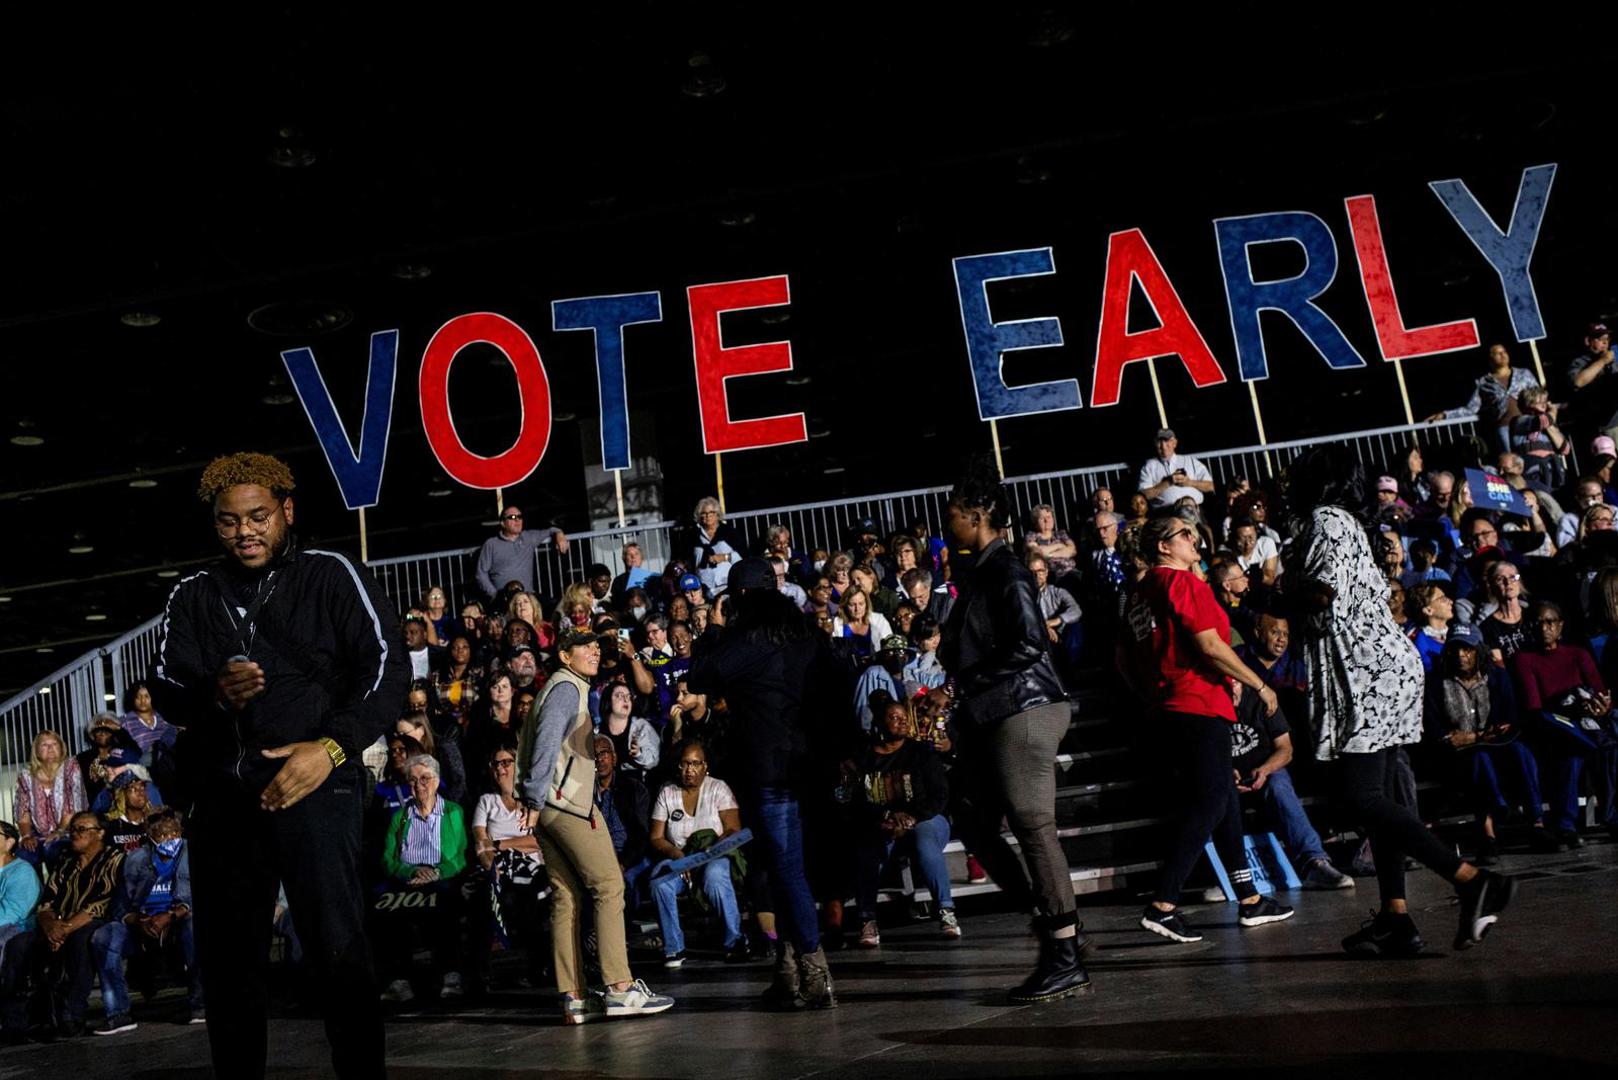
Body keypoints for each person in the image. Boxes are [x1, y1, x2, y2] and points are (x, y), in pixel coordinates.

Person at [153, 451, 408, 1079]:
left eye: (258, 516)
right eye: (229, 521)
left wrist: (331, 748)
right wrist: (214, 693)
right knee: (229, 965)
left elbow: (387, 668)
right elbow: (166, 687)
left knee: (338, 951)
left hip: (315, 786)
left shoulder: (331, 574)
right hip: (224, 801)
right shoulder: (194, 593)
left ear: (286, 511)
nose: (245, 531)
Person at [1284, 445, 1513, 958]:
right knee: (1382, 797)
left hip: (1366, 672)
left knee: (1360, 797)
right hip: (1382, 666)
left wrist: (1276, 593)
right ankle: (1395, 917)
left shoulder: (1325, 519)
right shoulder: (1344, 521)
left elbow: (1322, 593)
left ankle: (1474, 880)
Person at [939, 462, 1089, 1003]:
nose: (948, 522)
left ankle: (1065, 953)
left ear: (978, 515)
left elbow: (1029, 644)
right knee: (974, 822)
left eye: (954, 513)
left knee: (1032, 824)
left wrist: (959, 685)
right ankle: (1051, 917)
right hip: (997, 712)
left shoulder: (1007, 570)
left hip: (1026, 709)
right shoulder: (981, 571)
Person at [685, 557, 852, 1010]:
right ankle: (788, 968)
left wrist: (714, 628)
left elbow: (700, 676)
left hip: (769, 769)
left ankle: (815, 972)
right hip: (809, 765)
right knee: (777, 868)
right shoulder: (804, 633)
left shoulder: (747, 639)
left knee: (785, 869)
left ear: (739, 597)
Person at [1122, 513, 1295, 944]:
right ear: (1163, 546)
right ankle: (1163, 904)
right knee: (1213, 799)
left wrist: (1155, 690)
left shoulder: (1139, 593)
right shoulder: (1182, 582)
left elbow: (1123, 659)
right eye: (1184, 534)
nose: (1194, 538)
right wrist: (1258, 683)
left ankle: (1249, 899)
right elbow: (1211, 645)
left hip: (1171, 707)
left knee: (1224, 797)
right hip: (1197, 704)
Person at [518, 627, 673, 1024]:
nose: (593, 651)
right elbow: (546, 742)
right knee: (609, 885)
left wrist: (535, 799)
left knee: (567, 897)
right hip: (565, 803)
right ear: (564, 655)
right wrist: (534, 796)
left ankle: (574, 997)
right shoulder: (566, 688)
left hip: (551, 804)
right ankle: (620, 988)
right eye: (583, 646)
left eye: (596, 647)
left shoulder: (562, 688)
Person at [1423, 624, 1551, 861]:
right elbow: (1434, 731)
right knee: (1478, 760)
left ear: (1479, 650)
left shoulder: (1497, 677)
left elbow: (1509, 719)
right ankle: (1488, 833)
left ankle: (1537, 823)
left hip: (1496, 746)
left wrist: (1482, 735)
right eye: (1456, 649)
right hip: (1456, 756)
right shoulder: (1436, 684)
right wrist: (1474, 738)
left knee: (1521, 752)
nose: (1461, 655)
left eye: (1467, 649)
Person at [0, 811, 122, 1040]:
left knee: (81, 939)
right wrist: (51, 927)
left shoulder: (113, 858)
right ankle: (18, 1021)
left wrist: (64, 929)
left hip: (91, 921)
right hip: (57, 923)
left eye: (82, 829)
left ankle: (72, 1015)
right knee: (19, 943)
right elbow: (47, 900)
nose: (75, 833)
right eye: (73, 829)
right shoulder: (66, 860)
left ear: (100, 833)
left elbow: (101, 903)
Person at [1508, 600, 1618, 847]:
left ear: (1560, 626)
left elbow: (1600, 691)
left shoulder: (1578, 654)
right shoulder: (1524, 659)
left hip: (1585, 722)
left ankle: (1610, 816)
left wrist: (1601, 706)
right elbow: (1534, 706)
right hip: (1551, 726)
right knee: (1572, 753)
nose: (1544, 628)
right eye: (1538, 623)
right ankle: (1565, 824)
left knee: (1608, 747)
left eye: (1550, 622)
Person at [850, 699, 959, 945]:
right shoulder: (864, 758)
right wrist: (886, 817)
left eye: (904, 717)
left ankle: (946, 910)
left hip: (926, 818)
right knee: (868, 848)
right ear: (880, 723)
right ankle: (867, 918)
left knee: (925, 840)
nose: (902, 722)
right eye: (894, 717)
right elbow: (855, 801)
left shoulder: (920, 753)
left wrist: (912, 817)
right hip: (884, 823)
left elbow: (939, 795)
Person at [1226, 683, 1352, 889]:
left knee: (1278, 786)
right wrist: (1224, 772)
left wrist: (1265, 770)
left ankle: (1314, 862)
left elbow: (1285, 749)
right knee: (1214, 790)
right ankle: (1227, 876)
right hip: (1228, 778)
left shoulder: (1261, 700)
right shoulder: (1208, 706)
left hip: (1267, 772)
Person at [91, 807, 203, 1034]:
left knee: (196, 928)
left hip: (178, 921)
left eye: (174, 833)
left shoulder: (191, 853)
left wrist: (171, 915)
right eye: (162, 835)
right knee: (103, 937)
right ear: (151, 837)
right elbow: (120, 904)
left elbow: (198, 897)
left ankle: (200, 1004)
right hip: (143, 924)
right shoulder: (136, 859)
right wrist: (138, 921)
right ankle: (118, 1014)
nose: (169, 839)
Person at [648, 739, 749, 967]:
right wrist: (676, 854)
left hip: (714, 854)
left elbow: (734, 829)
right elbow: (656, 837)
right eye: (685, 763)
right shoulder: (667, 792)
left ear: (705, 766)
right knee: (659, 881)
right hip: (681, 857)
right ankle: (674, 948)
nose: (689, 769)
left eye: (695, 764)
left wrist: (710, 851)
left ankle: (735, 940)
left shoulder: (718, 788)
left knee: (715, 876)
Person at [377, 754, 467, 1003]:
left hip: (442, 878)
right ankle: (401, 981)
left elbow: (460, 857)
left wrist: (436, 872)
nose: (419, 785)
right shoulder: (400, 816)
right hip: (408, 881)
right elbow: (388, 860)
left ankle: (450, 975)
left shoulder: (453, 812)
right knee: (388, 911)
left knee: (445, 906)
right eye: (413, 780)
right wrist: (412, 872)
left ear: (436, 781)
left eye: (425, 778)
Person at [468, 742, 547, 995]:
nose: (500, 769)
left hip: (534, 870)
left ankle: (532, 968)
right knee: (484, 896)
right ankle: (483, 974)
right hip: (498, 867)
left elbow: (539, 840)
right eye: (496, 764)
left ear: (517, 766)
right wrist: (492, 865)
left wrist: (500, 843)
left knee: (530, 898)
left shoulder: (532, 801)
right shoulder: (486, 801)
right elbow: (481, 842)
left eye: (506, 763)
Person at [1425, 342, 1540, 455]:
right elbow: (1471, 409)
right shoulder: (1484, 382)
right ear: (1490, 359)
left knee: (1536, 455)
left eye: (1504, 351)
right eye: (1497, 353)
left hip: (1528, 423)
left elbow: (1538, 395)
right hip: (1505, 427)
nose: (1502, 354)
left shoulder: (1524, 373)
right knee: (1512, 460)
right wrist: (1445, 415)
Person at [13, 730, 87, 869]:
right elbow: (22, 810)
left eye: (54, 744)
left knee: (52, 848)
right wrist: (27, 836)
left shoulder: (71, 767)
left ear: (61, 748)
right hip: (38, 835)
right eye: (44, 745)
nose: (50, 748)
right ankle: (35, 884)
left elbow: (72, 806)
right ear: (36, 751)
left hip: (68, 833)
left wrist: (59, 831)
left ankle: (57, 883)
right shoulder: (26, 775)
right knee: (23, 855)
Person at [474, 505, 568, 600]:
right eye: (512, 517)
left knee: (555, 604)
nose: (517, 520)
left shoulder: (528, 537)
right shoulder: (491, 544)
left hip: (527, 597)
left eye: (520, 517)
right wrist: (494, 594)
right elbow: (481, 573)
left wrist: (559, 534)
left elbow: (552, 530)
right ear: (503, 523)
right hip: (504, 600)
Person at [597, 681, 661, 779]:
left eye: (628, 696)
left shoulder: (641, 727)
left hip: (634, 782)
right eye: (619, 696)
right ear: (608, 700)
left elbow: (654, 761)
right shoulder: (598, 730)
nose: (626, 700)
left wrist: (638, 754)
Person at [75, 714, 142, 806]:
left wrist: (118, 728)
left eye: (107, 730)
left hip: (121, 804)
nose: (103, 733)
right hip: (92, 806)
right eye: (99, 730)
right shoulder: (83, 758)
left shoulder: (122, 754)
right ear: (92, 735)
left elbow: (137, 753)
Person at [1138, 428, 1214, 507]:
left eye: (1167, 441)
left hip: (1193, 508)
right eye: (1159, 442)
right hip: (1166, 511)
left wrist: (1189, 482)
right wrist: (1167, 483)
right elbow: (1142, 495)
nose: (1163, 446)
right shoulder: (1149, 466)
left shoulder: (1190, 460)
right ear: (1155, 443)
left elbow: (1211, 486)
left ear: (1174, 443)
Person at [692, 496, 743, 594]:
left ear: (717, 514)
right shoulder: (694, 536)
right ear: (699, 516)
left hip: (728, 583)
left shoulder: (729, 532)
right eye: (704, 513)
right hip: (704, 587)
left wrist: (725, 557)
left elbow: (743, 556)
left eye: (711, 512)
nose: (708, 516)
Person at [120, 680, 180, 758]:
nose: (143, 701)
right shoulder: (124, 721)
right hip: (140, 763)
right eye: (138, 697)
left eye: (147, 696)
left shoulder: (165, 718)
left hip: (167, 762)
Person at [1023, 504, 1078, 583]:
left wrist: (1050, 555)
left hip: (1071, 571)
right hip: (1051, 575)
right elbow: (1038, 552)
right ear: (1035, 522)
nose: (1046, 520)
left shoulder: (1060, 534)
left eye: (1049, 517)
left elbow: (1072, 550)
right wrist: (1060, 546)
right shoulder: (1032, 536)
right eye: (1042, 518)